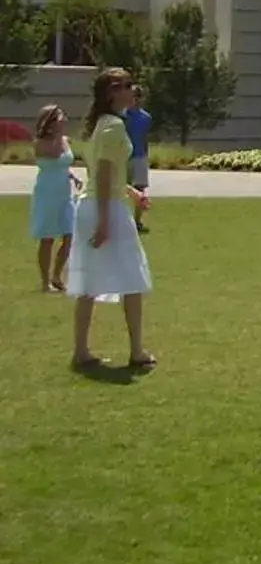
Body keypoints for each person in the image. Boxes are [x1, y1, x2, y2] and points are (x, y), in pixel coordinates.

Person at [69, 67, 154, 372]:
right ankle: (136, 350)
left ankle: (82, 350)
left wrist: (131, 192)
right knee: (132, 277)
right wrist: (105, 221)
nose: (133, 90)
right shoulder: (112, 127)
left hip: (98, 204)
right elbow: (102, 174)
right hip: (104, 208)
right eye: (126, 86)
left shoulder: (102, 125)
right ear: (111, 93)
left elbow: (105, 174)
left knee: (91, 281)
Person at [29, 105, 77, 294]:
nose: (64, 119)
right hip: (47, 193)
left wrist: (72, 176)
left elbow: (63, 164)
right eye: (59, 117)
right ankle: (45, 281)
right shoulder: (40, 142)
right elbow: (55, 155)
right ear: (50, 122)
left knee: (70, 235)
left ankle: (57, 276)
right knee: (47, 238)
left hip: (65, 192)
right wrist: (57, 134)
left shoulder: (65, 140)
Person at [123, 85, 153, 233]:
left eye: (138, 97)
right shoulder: (123, 116)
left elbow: (145, 138)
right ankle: (122, 220)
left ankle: (137, 221)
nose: (135, 100)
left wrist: (146, 155)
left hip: (140, 156)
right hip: (125, 156)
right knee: (121, 188)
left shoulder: (146, 117)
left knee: (140, 189)